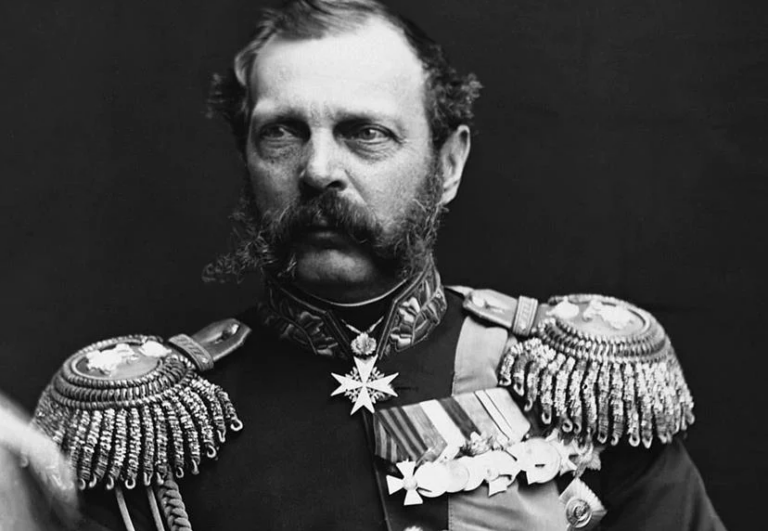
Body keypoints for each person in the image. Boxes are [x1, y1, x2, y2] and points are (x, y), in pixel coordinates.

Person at [28, 0, 726, 529]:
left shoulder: (580, 387)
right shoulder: (146, 429)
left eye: (365, 133)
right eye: (282, 133)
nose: (318, 170)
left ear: (448, 164)